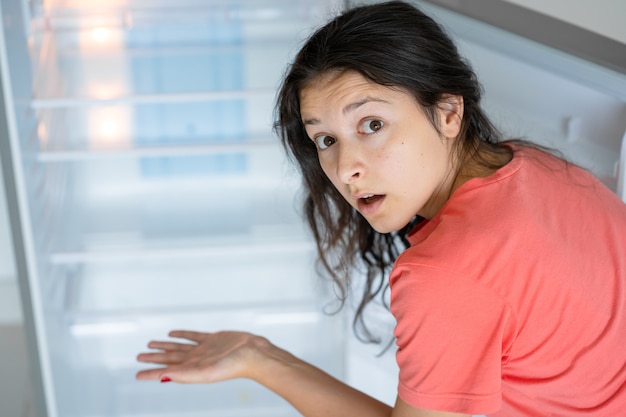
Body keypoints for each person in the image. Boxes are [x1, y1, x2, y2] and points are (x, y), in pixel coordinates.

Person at [136, 1, 626, 416]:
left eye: (372, 124)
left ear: (449, 112)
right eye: (325, 139)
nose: (346, 167)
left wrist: (260, 359)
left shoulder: (446, 274)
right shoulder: (532, 165)